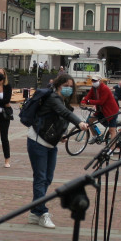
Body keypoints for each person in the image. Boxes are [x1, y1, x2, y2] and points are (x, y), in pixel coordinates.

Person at [26, 74, 88, 229]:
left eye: (71, 86)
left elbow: (55, 120)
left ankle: (35, 212)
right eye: (66, 85)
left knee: (47, 178)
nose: (68, 88)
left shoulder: (64, 101)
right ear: (59, 85)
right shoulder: (53, 98)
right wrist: (79, 122)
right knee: (40, 178)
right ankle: (42, 212)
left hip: (50, 143)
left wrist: (60, 136)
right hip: (37, 141)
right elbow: (64, 113)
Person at [81, 76, 120, 144]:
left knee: (111, 130)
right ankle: (95, 136)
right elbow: (88, 96)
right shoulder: (94, 88)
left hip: (110, 111)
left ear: (100, 81)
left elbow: (101, 101)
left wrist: (89, 101)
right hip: (101, 110)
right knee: (89, 120)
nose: (94, 82)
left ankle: (111, 150)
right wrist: (83, 102)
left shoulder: (105, 88)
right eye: (93, 81)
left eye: (95, 81)